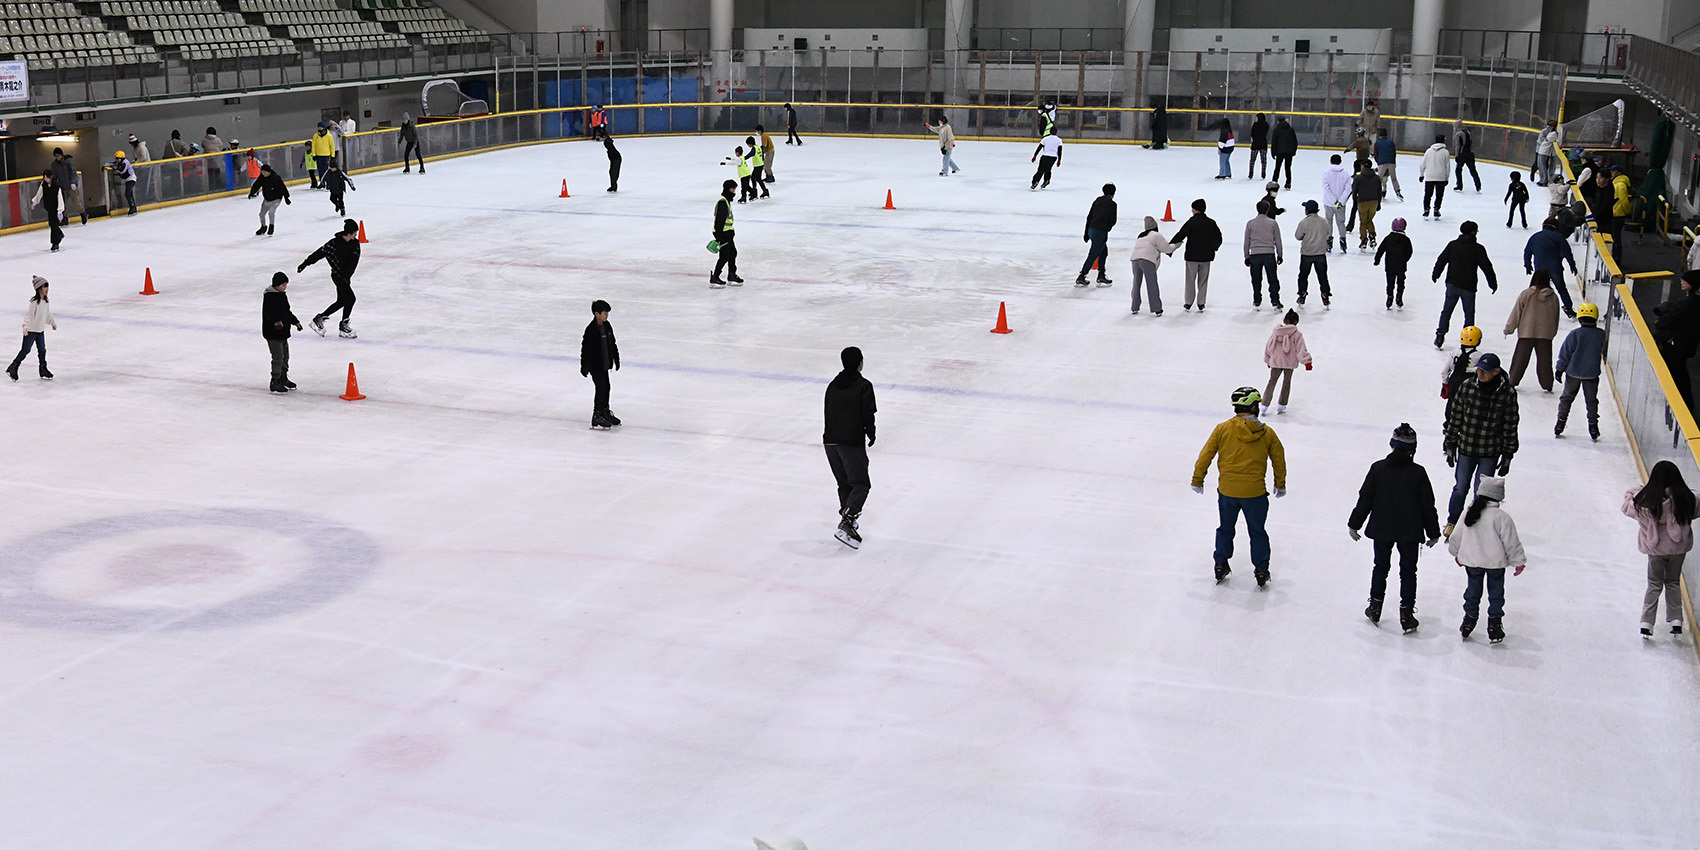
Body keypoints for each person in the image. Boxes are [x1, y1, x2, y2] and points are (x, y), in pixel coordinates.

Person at [1348, 423, 1442, 632]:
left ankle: (1375, 607)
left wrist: (1355, 523)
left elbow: (1366, 499)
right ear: (1412, 450)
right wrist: (1433, 532)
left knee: (1380, 567)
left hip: (1382, 528)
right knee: (1408, 572)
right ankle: (1406, 615)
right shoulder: (1418, 473)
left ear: (1392, 446)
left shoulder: (1378, 468)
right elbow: (1428, 505)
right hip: (1409, 531)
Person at [1191, 386, 1287, 587]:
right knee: (1257, 531)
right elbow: (1279, 459)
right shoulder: (1266, 433)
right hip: (1255, 493)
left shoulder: (1222, 429)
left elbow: (1205, 455)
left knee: (1225, 528)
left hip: (1228, 491)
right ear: (1252, 407)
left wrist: (1198, 479)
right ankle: (1261, 568)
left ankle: (1220, 563)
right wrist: (1280, 483)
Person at [1443, 352, 1519, 536]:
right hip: (1467, 448)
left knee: (1482, 492)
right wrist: (1450, 441)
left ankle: (1476, 524)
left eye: (1485, 371)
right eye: (1479, 369)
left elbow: (1511, 424)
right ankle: (1452, 521)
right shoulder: (1467, 387)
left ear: (1496, 372)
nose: (1480, 373)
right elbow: (1456, 416)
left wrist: (1508, 454)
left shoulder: (1507, 393)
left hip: (1490, 451)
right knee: (1460, 487)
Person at [1623, 461, 1695, 638]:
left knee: (1654, 584)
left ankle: (1647, 623)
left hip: (1655, 550)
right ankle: (1676, 620)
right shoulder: (1685, 499)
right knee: (1672, 582)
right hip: (1678, 549)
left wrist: (1637, 490)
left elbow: (1627, 505)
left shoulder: (1646, 501)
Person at [1448, 476, 1524, 643]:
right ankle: (1494, 624)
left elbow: (1456, 536)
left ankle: (1469, 619)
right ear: (1499, 496)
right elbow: (1511, 542)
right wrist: (1518, 562)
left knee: (1473, 591)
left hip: (1472, 562)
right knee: (1496, 594)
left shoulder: (1469, 512)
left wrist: (1457, 554)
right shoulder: (1502, 517)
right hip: (1495, 565)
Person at [824, 346, 876, 549]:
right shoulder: (863, 385)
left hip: (830, 442)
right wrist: (871, 433)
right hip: (850, 443)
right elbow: (867, 414)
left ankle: (847, 523)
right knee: (861, 484)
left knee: (845, 484)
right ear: (859, 363)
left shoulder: (832, 385)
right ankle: (848, 521)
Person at [1431, 221, 1498, 349]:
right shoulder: (1478, 249)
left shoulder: (1453, 245)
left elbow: (1442, 259)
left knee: (1447, 310)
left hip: (1452, 283)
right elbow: (1487, 267)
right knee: (1469, 313)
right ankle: (1469, 339)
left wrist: (1436, 273)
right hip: (1468, 286)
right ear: (1473, 232)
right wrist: (1492, 283)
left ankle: (1440, 334)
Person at [298, 219, 363, 339]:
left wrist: (347, 276)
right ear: (348, 233)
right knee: (350, 299)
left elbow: (354, 262)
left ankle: (320, 319)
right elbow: (319, 253)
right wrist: (305, 263)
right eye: (354, 233)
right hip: (337, 276)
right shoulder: (334, 243)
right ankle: (343, 326)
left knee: (342, 301)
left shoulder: (355, 244)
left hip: (345, 277)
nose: (356, 235)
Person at [1502, 270, 1560, 392]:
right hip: (1545, 334)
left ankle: (1512, 380)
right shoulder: (1553, 297)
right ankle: (1547, 384)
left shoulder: (1527, 294)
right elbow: (1556, 316)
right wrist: (1552, 332)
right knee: (1545, 362)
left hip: (1526, 332)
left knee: (1520, 359)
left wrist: (1509, 328)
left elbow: (1516, 313)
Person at [1555, 302, 1606, 440]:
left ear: (1580, 318)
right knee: (1591, 401)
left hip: (1573, 373)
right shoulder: (1601, 334)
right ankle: (1593, 425)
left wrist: (1559, 370)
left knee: (1566, 398)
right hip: (1591, 374)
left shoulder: (1575, 334)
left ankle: (1560, 422)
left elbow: (1565, 353)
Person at [1652, 270, 1700, 410]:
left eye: (1685, 281)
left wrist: (1660, 321)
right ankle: (1686, 406)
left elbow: (1665, 323)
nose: (1682, 282)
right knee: (1680, 375)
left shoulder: (1687, 304)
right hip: (1686, 346)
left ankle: (1682, 407)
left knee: (1677, 376)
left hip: (1676, 346)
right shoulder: (1694, 303)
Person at [1170, 198, 1222, 311]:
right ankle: (1201, 302)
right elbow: (1218, 237)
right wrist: (1214, 248)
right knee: (1203, 280)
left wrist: (1170, 246)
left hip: (1192, 257)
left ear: (1195, 209)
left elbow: (1181, 234)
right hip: (1206, 257)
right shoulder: (1211, 223)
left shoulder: (1191, 222)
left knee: (1190, 280)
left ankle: (1188, 302)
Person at [1523, 222, 1579, 318]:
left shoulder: (1535, 237)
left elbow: (1527, 252)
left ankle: (1529, 307)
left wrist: (1528, 265)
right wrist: (1572, 265)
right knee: (1561, 289)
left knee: (1536, 289)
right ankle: (1569, 308)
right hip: (1555, 268)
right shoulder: (1558, 237)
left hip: (1540, 269)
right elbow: (1567, 252)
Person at [6, 276, 56, 382]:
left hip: (40, 331)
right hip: (31, 331)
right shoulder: (34, 302)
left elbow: (47, 314)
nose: (47, 289)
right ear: (39, 288)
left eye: (48, 286)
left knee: (42, 350)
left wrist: (52, 323)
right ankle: (13, 367)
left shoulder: (45, 302)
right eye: (45, 286)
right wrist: (26, 326)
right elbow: (29, 315)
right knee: (26, 350)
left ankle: (43, 369)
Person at [1262, 310, 1312, 414]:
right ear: (1296, 322)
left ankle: (1264, 404)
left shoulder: (1276, 332)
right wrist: (1307, 362)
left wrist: (1268, 359)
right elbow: (1301, 349)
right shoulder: (1297, 334)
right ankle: (1282, 404)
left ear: (1285, 320)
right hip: (1289, 362)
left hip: (1276, 361)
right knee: (1286, 382)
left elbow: (1269, 347)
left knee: (1272, 381)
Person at [581, 299, 621, 429]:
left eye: (607, 313)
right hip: (595, 365)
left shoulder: (607, 326)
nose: (606, 315)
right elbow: (585, 348)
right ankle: (597, 414)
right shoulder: (591, 330)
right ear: (596, 314)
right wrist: (584, 365)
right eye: (604, 313)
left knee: (607, 387)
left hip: (605, 364)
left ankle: (604, 411)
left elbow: (612, 343)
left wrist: (616, 358)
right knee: (601, 388)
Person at [262, 272, 303, 393]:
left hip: (283, 333)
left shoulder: (282, 295)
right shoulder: (270, 297)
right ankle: (275, 380)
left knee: (285, 356)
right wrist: (276, 322)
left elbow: (287, 312)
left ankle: (283, 377)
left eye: (286, 284)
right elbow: (269, 313)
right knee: (278, 357)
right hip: (273, 333)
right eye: (283, 284)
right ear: (276, 285)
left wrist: (295, 322)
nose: (285, 287)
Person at [1128, 215, 1175, 316]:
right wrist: (1176, 244)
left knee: (1136, 284)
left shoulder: (1140, 236)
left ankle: (1134, 307)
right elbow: (1167, 249)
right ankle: (1156, 308)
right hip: (1147, 260)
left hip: (1135, 260)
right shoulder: (1156, 235)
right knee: (1151, 284)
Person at [1244, 200, 1285, 310]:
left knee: (1256, 279)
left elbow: (1247, 241)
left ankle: (1257, 299)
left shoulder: (1250, 223)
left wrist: (1246, 256)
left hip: (1255, 255)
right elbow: (1278, 240)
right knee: (1272, 279)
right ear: (1267, 210)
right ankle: (1275, 300)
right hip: (1269, 254)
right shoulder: (1272, 223)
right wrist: (1280, 255)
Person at [1293, 200, 1332, 308]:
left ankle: (1302, 294)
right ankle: (1325, 295)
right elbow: (1327, 234)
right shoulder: (1324, 221)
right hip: (1320, 253)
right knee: (1322, 276)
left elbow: (1298, 236)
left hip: (1307, 253)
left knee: (1303, 276)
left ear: (1307, 210)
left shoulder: (1304, 222)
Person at [1076, 183, 1117, 287]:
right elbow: (1113, 220)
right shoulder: (1112, 204)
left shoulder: (1097, 201)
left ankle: (1101, 275)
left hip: (1092, 229)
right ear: (1113, 193)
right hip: (1100, 232)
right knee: (1093, 254)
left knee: (1103, 252)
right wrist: (1106, 228)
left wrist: (1086, 232)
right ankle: (1082, 276)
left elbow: (1089, 216)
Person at [1375, 217, 1412, 309]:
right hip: (1401, 266)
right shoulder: (1406, 240)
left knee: (1390, 282)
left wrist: (1377, 259)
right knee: (1401, 281)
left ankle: (1390, 297)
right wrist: (1404, 260)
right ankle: (1399, 297)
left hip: (1390, 265)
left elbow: (1381, 249)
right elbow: (1409, 252)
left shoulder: (1388, 238)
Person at [710, 179, 742, 288]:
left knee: (732, 253)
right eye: (734, 189)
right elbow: (720, 220)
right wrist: (718, 237)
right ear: (730, 189)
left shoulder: (726, 200)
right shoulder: (723, 202)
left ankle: (731, 275)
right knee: (724, 256)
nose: (734, 192)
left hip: (727, 234)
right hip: (723, 234)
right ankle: (715, 277)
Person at [247, 163, 291, 236]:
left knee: (271, 212)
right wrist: (252, 192)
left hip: (276, 198)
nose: (263, 174)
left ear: (268, 172)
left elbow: (283, 188)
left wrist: (286, 198)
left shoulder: (276, 178)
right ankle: (263, 227)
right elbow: (257, 184)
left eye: (264, 172)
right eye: (262, 172)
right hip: (267, 199)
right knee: (261, 214)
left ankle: (271, 226)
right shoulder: (262, 177)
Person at [1321, 154, 1352, 252]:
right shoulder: (1346, 174)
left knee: (1328, 222)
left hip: (1329, 203)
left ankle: (1328, 240)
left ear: (1331, 161)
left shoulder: (1326, 173)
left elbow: (1326, 188)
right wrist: (1340, 201)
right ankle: (1343, 240)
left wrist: (1333, 200)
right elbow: (1348, 189)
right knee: (1341, 222)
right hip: (1341, 204)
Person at [1354, 157, 1383, 251]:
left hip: (1363, 202)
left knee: (1363, 222)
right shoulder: (1376, 178)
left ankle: (1363, 239)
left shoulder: (1359, 177)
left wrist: (1356, 201)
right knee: (1369, 220)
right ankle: (1372, 236)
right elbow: (1379, 191)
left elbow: (1354, 191)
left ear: (1362, 166)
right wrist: (1379, 204)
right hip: (1374, 202)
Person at [29, 171, 64, 252]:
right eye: (44, 178)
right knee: (52, 224)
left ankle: (55, 243)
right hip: (49, 207)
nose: (45, 179)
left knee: (54, 225)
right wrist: (35, 201)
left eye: (46, 177)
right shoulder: (43, 185)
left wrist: (60, 210)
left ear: (51, 177)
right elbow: (39, 194)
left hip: (55, 207)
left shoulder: (56, 186)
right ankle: (60, 234)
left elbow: (60, 198)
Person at [48, 148, 82, 226]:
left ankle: (83, 213)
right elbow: (54, 176)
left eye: (58, 155)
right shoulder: (54, 165)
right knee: (62, 205)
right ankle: (64, 219)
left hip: (71, 186)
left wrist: (73, 182)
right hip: (62, 187)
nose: (57, 157)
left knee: (76, 203)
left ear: (61, 155)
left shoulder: (68, 162)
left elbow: (73, 172)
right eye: (55, 156)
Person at [1421, 134, 1451, 220]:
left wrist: (1421, 174)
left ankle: (1426, 209)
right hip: (1440, 176)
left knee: (1427, 194)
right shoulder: (1445, 152)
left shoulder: (1429, 151)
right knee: (1439, 195)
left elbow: (1423, 164)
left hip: (1430, 176)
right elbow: (1447, 167)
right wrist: (1446, 178)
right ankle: (1436, 209)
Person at [1373, 127, 1403, 201]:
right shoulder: (1391, 142)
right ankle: (1397, 191)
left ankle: (1376, 192)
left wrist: (1379, 162)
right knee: (1394, 178)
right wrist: (1392, 161)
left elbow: (1375, 154)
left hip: (1382, 162)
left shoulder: (1377, 143)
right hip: (1391, 162)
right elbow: (1394, 152)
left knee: (1379, 179)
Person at [1610, 164, 1633, 255]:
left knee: (1616, 237)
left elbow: (1624, 201)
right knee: (1616, 236)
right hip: (1617, 213)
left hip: (1618, 214)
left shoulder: (1620, 185)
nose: (1611, 173)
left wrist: (1627, 212)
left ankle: (1617, 256)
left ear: (1619, 173)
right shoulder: (1617, 183)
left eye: (1613, 171)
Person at [1271, 116, 1298, 189]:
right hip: (1289, 152)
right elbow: (1295, 141)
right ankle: (1288, 183)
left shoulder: (1277, 130)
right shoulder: (1290, 129)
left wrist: (1273, 152)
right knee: (1288, 168)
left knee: (1277, 168)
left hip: (1279, 152)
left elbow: (1274, 142)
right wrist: (1293, 151)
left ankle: (1274, 182)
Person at [1453, 120, 1481, 192]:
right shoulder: (1468, 132)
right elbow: (1471, 143)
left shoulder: (1458, 134)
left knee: (1458, 170)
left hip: (1462, 154)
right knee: (1473, 170)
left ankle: (1459, 185)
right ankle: (1478, 185)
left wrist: (1457, 156)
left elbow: (1458, 146)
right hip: (1470, 154)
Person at [109, 151, 138, 216]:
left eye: (118, 158)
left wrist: (115, 168)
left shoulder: (125, 162)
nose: (117, 160)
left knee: (127, 193)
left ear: (121, 158)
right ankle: (133, 207)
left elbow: (122, 171)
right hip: (127, 179)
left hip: (131, 178)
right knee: (129, 193)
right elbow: (112, 163)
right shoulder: (119, 162)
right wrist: (105, 165)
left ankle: (132, 207)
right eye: (116, 158)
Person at [1534, 119, 1562, 185]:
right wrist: (1545, 141)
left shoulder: (1555, 133)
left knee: (1551, 166)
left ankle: (1549, 180)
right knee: (1541, 165)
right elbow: (1541, 140)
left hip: (1551, 151)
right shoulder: (1545, 131)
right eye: (1549, 126)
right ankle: (1543, 180)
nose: (1549, 127)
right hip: (1544, 150)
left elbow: (1552, 139)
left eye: (1551, 126)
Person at [127, 133, 153, 203]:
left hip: (146, 168)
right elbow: (136, 157)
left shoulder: (141, 147)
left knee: (145, 183)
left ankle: (149, 197)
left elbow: (143, 157)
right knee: (141, 183)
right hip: (140, 168)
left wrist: (136, 162)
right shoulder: (135, 149)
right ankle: (144, 196)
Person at [1247, 112, 1269, 179]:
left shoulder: (1255, 125)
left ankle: (1251, 173)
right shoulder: (1266, 125)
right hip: (1263, 144)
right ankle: (1263, 173)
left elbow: (1252, 134)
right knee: (1263, 160)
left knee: (1252, 160)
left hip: (1255, 144)